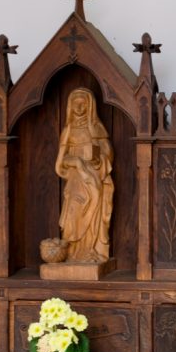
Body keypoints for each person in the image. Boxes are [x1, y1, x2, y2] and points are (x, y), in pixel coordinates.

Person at [55, 87, 114, 263]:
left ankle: (90, 250)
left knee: (93, 212)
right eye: (76, 103)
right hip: (75, 180)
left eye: (83, 104)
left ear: (90, 106)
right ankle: (72, 252)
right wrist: (75, 161)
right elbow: (59, 164)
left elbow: (108, 154)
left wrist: (97, 160)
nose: (79, 108)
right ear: (70, 106)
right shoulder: (68, 130)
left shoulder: (96, 128)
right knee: (73, 212)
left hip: (93, 178)